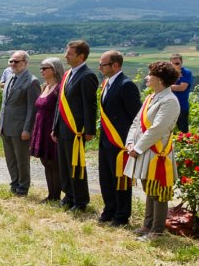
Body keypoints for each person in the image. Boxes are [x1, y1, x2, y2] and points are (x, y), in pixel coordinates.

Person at [126, 61, 182, 238]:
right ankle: (147, 225)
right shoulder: (152, 97)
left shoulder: (170, 101)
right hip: (143, 150)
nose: (147, 77)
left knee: (159, 192)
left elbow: (157, 129)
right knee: (149, 189)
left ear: (160, 79)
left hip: (156, 153)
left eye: (150, 75)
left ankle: (157, 230)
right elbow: (137, 122)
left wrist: (138, 148)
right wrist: (129, 142)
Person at [95, 50, 142, 226]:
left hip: (120, 142)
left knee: (120, 181)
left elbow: (136, 116)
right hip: (106, 140)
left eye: (102, 64)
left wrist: (131, 140)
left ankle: (121, 215)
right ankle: (109, 209)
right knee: (106, 178)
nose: (99, 67)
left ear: (115, 65)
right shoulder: (106, 83)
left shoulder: (126, 85)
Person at [56, 40, 99, 211]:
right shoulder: (68, 74)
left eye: (70, 53)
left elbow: (89, 105)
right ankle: (69, 195)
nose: (66, 56)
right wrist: (55, 127)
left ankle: (80, 200)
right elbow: (60, 104)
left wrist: (89, 130)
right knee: (65, 166)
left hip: (76, 130)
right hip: (63, 128)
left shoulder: (87, 75)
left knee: (76, 166)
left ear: (81, 56)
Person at [0, 50, 37, 196]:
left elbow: (32, 109)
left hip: (20, 128)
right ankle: (14, 183)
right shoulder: (9, 78)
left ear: (25, 63)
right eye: (11, 61)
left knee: (22, 159)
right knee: (10, 159)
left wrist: (27, 129)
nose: (13, 64)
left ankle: (23, 187)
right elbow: (4, 104)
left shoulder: (32, 81)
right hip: (6, 127)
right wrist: (0, 123)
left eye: (16, 61)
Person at [29, 58, 65, 203]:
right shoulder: (45, 87)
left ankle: (56, 194)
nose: (41, 71)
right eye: (41, 68)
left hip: (51, 129)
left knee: (53, 162)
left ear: (54, 69)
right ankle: (51, 194)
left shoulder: (58, 88)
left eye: (45, 68)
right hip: (41, 128)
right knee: (45, 161)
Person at [169, 53, 193, 133]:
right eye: (173, 64)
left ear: (181, 62)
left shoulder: (186, 73)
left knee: (183, 131)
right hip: (169, 106)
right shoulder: (167, 73)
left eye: (177, 63)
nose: (175, 66)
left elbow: (182, 88)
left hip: (181, 106)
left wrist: (166, 86)